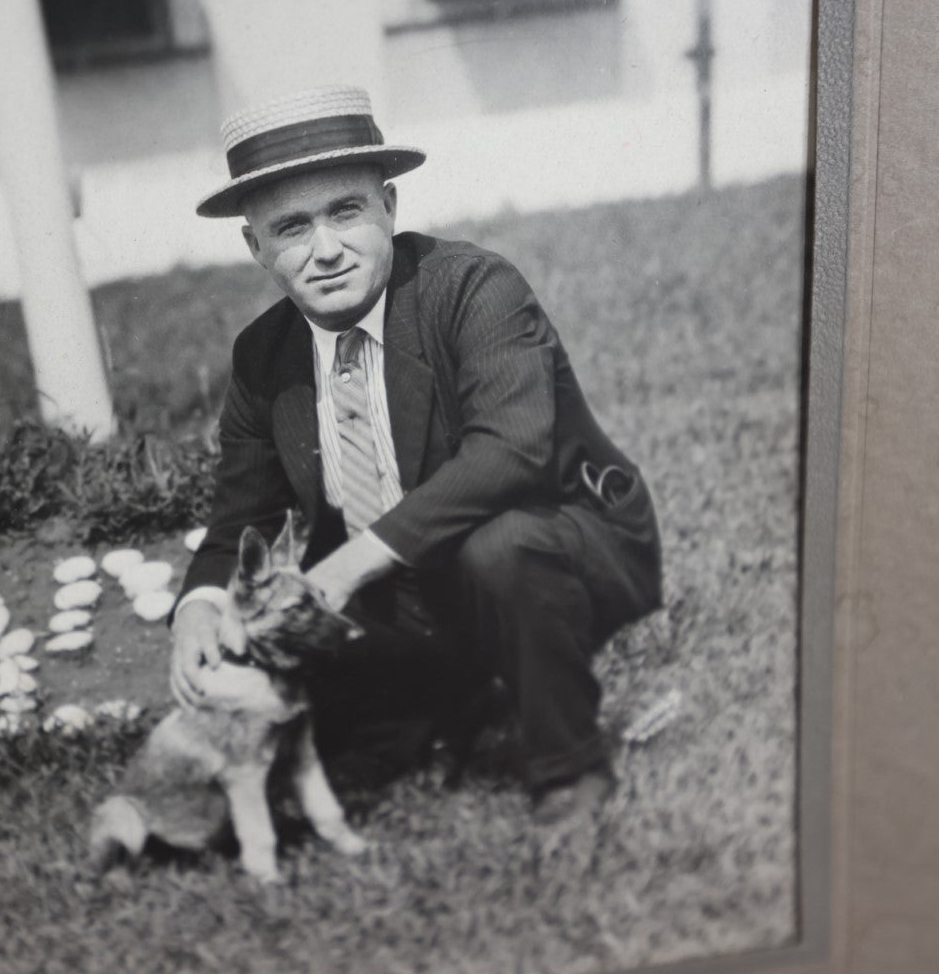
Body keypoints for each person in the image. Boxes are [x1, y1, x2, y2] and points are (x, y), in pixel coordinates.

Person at [168, 85, 663, 819]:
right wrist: (198, 605)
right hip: (401, 590)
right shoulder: (262, 357)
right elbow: (242, 513)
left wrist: (347, 564)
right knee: (303, 770)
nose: (326, 249)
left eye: (345, 211)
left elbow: (510, 454)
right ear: (256, 247)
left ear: (389, 208)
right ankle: (443, 702)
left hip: (556, 541)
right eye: (291, 228)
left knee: (499, 548)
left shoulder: (470, 289)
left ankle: (568, 768)